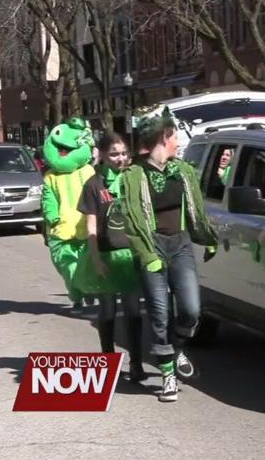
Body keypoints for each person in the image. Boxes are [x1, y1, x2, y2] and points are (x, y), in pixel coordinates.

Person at [121, 111, 218, 402]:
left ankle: (177, 350)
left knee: (190, 309)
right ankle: (167, 376)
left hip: (181, 245)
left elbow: (197, 210)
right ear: (163, 138)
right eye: (174, 136)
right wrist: (145, 253)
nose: (178, 142)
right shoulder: (134, 175)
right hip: (153, 247)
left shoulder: (183, 170)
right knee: (160, 314)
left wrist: (208, 237)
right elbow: (131, 219)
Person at [74, 132, 145, 383]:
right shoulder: (94, 184)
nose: (120, 158)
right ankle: (107, 363)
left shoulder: (133, 179)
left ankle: (136, 363)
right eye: (114, 153)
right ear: (102, 155)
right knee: (107, 311)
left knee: (134, 311)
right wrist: (95, 258)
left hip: (131, 254)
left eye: (124, 153)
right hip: (105, 254)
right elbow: (91, 225)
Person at [41, 118, 96, 313]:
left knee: (84, 266)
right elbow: (48, 200)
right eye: (61, 150)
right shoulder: (50, 177)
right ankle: (78, 296)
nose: (63, 153)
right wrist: (52, 217)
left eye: (68, 150)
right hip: (61, 232)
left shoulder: (87, 171)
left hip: (85, 229)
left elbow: (95, 194)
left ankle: (84, 293)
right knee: (68, 268)